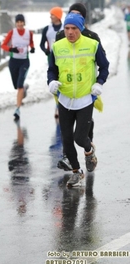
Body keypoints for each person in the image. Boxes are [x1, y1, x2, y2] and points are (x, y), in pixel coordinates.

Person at [47, 13, 109, 188]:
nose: (70, 32)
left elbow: (104, 67)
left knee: (80, 138)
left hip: (85, 99)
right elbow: (51, 70)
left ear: (80, 28)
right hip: (65, 99)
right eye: (67, 28)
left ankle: (90, 152)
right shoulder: (57, 47)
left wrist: (99, 82)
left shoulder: (92, 45)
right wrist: (51, 81)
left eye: (74, 28)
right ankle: (76, 172)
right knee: (66, 141)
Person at [1, 14, 35, 120]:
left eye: (21, 22)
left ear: (24, 23)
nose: (20, 24)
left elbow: (31, 43)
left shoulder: (29, 33)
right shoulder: (12, 33)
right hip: (13, 62)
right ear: (16, 23)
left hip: (24, 61)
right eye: (18, 22)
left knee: (19, 85)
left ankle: (17, 109)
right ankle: (23, 89)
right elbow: (3, 45)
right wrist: (11, 49)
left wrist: (32, 48)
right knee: (16, 86)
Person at [40, 7, 63, 118]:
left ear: (58, 16)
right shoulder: (47, 29)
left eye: (52, 15)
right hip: (51, 58)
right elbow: (41, 44)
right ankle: (57, 105)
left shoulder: (65, 28)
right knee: (54, 80)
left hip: (64, 57)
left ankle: (60, 105)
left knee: (61, 80)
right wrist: (46, 51)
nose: (50, 17)